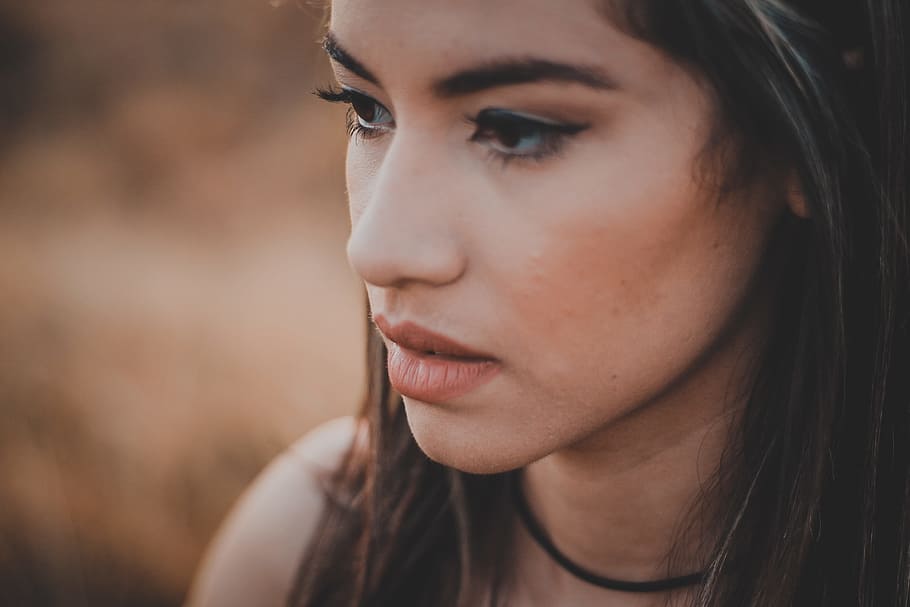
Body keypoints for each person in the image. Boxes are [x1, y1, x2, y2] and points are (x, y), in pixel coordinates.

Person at [186, 1, 909, 605]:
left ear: (811, 128)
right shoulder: (305, 556)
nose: (375, 248)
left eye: (514, 129)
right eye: (366, 108)